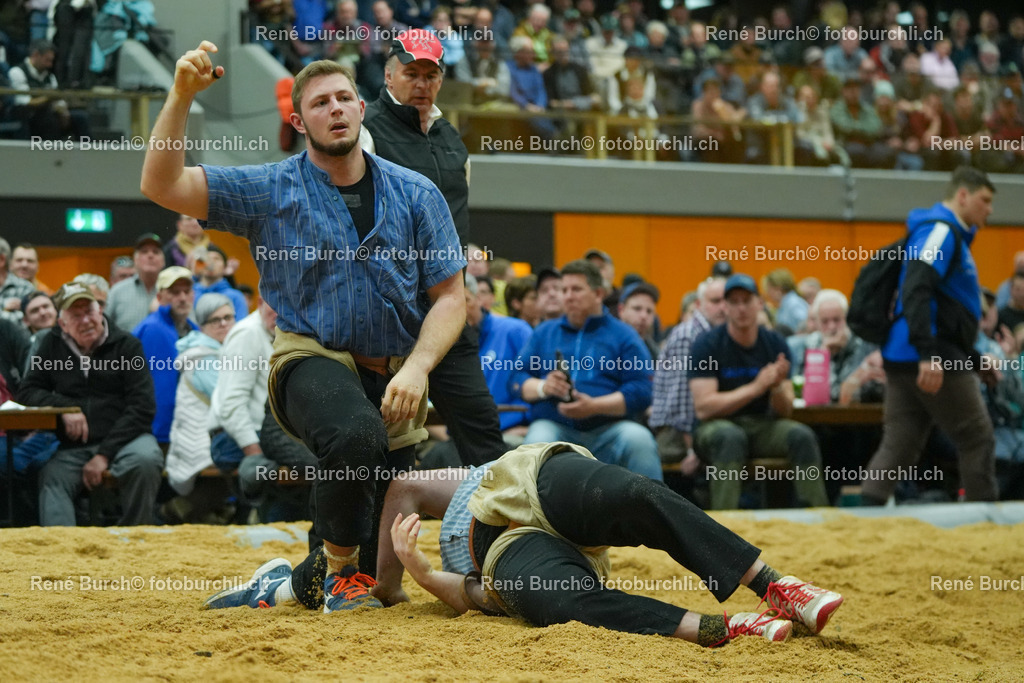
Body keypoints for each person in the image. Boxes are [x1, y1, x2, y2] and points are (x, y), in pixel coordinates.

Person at [139, 42, 466, 612]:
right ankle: (341, 577)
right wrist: (180, 98)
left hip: (393, 375)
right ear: (298, 120)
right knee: (355, 434)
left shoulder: (418, 193)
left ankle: (293, 582)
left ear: (362, 109)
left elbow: (450, 298)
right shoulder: (269, 187)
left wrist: (417, 367)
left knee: (374, 566)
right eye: (320, 103)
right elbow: (162, 185)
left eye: (344, 98)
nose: (335, 109)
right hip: (308, 359)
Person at [207, 442, 845, 650]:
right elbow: (472, 596)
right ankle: (724, 625)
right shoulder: (445, 553)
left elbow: (402, 483)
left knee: (634, 494)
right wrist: (419, 572)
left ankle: (776, 583)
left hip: (532, 483)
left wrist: (386, 586)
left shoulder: (467, 481)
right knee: (559, 601)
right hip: (509, 556)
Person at [359, 28, 506, 468]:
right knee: (368, 435)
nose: (421, 83)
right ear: (389, 76)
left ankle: (499, 531)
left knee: (481, 426)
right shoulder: (368, 134)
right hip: (388, 313)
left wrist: (464, 283)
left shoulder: (451, 140)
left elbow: (458, 219)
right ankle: (336, 538)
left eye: (430, 74)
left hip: (447, 306)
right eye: (411, 73)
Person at [863, 166, 999, 505]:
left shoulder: (944, 233)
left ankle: (864, 511)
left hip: (908, 354)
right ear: (963, 196)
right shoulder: (940, 231)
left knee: (900, 443)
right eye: (984, 200)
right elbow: (917, 288)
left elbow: (947, 311)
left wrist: (974, 359)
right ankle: (987, 526)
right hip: (926, 355)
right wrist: (929, 353)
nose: (990, 209)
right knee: (976, 437)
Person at [17, 282, 163, 526]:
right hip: (75, 445)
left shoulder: (127, 345)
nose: (85, 320)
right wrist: (66, 408)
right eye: (76, 315)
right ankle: (63, 550)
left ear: (100, 311)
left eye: (89, 311)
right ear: (62, 323)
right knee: (51, 477)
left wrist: (103, 455)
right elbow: (27, 392)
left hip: (126, 440)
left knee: (146, 460)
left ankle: (135, 536)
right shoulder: (51, 345)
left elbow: (143, 406)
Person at [689, 274, 829, 510]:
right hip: (716, 426)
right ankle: (723, 524)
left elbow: (785, 411)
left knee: (801, 435)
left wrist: (775, 388)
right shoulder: (707, 345)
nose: (741, 308)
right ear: (725, 307)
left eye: (747, 300)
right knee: (730, 437)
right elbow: (704, 408)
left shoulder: (775, 344)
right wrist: (756, 388)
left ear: (760, 304)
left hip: (762, 425)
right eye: (734, 302)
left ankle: (817, 516)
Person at [511, 260, 660, 480]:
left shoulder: (624, 335)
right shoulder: (544, 332)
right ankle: (526, 513)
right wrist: (544, 387)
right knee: (536, 440)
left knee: (639, 440)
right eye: (564, 290)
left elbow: (641, 391)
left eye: (576, 289)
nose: (568, 296)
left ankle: (653, 511)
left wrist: (594, 406)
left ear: (598, 293)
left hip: (609, 429)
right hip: (555, 426)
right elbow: (516, 379)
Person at [162, 293, 235, 520]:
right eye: (215, 320)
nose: (223, 324)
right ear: (202, 325)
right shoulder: (203, 357)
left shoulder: (221, 350)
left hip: (213, 435)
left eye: (228, 317)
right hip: (199, 439)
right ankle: (171, 513)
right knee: (239, 465)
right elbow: (226, 401)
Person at [650, 277, 726, 472]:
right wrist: (692, 449)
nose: (723, 307)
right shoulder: (690, 335)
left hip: (698, 426)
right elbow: (681, 402)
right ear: (699, 305)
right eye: (715, 301)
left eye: (727, 300)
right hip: (676, 436)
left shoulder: (717, 334)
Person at [133, 266, 198, 447]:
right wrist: (161, 433)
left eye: (186, 291)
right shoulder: (153, 329)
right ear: (160, 297)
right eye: (174, 292)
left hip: (187, 428)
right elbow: (162, 387)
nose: (182, 298)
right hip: (161, 432)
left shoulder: (193, 329)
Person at [105, 233, 166, 333]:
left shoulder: (172, 292)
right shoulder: (117, 291)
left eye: (156, 252)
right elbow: (104, 327)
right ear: (135, 260)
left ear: (163, 261)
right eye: (144, 252)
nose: (150, 255)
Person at [191, 244, 248, 321]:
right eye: (206, 258)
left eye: (216, 259)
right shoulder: (190, 293)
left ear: (225, 267)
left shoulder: (236, 296)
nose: (210, 262)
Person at [0, 236, 35, 323]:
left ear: (1, 260)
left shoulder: (26, 288)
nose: (24, 265)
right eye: (19, 260)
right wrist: (5, 311)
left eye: (30, 261)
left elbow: (29, 322)